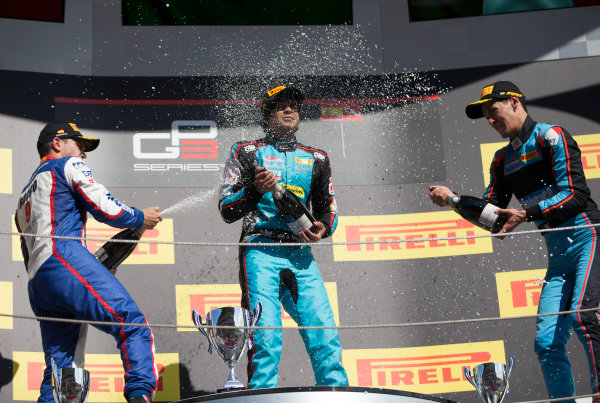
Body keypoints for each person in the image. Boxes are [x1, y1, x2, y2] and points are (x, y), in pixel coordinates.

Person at [429, 81, 600, 402]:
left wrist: (527, 212)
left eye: (494, 112)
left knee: (584, 317)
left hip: (587, 235)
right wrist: (453, 200)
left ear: (514, 103)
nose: (491, 122)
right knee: (547, 342)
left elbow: (577, 194)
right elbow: (492, 217)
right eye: (486, 118)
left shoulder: (552, 136)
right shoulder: (501, 160)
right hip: (559, 254)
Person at [15, 122, 162, 403]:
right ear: (57, 144)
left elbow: (31, 249)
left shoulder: (24, 194)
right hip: (63, 257)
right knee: (131, 324)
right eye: (79, 144)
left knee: (62, 369)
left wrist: (87, 269)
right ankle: (140, 394)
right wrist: (141, 217)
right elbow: (106, 208)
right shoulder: (65, 165)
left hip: (39, 282)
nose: (83, 153)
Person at [218, 85, 348, 388]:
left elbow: (328, 210)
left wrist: (323, 228)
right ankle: (261, 395)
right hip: (260, 250)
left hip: (301, 256)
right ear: (267, 115)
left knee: (325, 337)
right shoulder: (246, 152)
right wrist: (255, 190)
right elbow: (226, 209)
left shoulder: (317, 158)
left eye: (294, 106)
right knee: (266, 339)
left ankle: (338, 394)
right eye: (281, 106)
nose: (290, 111)